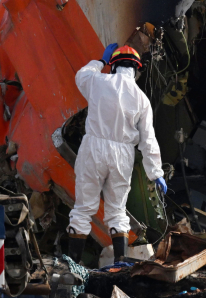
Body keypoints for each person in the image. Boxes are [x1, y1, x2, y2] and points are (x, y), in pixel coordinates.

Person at [66, 43, 167, 264]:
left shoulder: (98, 81)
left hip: (93, 148)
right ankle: (119, 264)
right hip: (122, 155)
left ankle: (73, 265)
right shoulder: (142, 99)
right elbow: (148, 139)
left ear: (113, 66)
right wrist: (156, 173)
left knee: (83, 208)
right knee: (117, 210)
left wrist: (100, 61)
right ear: (136, 69)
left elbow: (81, 76)